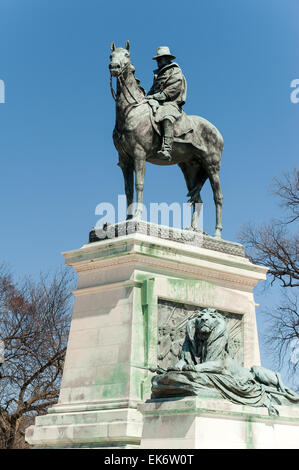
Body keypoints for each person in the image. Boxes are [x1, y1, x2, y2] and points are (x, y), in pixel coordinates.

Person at [146, 46, 187, 161]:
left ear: (167, 59)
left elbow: (171, 91)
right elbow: (152, 90)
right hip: (157, 102)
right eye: (157, 59)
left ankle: (166, 149)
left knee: (166, 117)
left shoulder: (175, 71)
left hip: (171, 103)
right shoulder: (158, 75)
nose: (158, 61)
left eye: (161, 59)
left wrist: (154, 96)